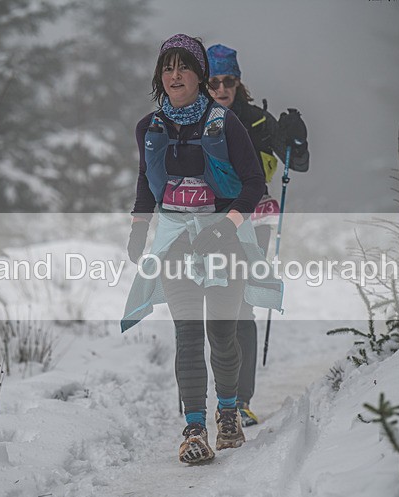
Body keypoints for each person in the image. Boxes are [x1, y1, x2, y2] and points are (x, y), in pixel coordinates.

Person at [120, 34, 283, 464]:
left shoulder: (225, 124)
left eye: (183, 67)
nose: (175, 75)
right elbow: (144, 181)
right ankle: (194, 428)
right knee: (188, 336)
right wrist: (139, 228)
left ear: (199, 76)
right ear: (160, 76)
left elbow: (254, 184)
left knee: (222, 336)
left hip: (223, 241)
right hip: (176, 242)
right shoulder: (149, 128)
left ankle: (227, 412)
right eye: (167, 68)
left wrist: (225, 228)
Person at [206, 43, 310, 427]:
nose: (220, 88)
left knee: (242, 307)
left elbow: (297, 165)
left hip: (254, 223)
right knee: (217, 311)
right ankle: (222, 397)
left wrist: (296, 139)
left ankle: (239, 401)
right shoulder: (195, 118)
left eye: (227, 80)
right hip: (208, 225)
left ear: (238, 81)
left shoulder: (258, 122)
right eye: (213, 81)